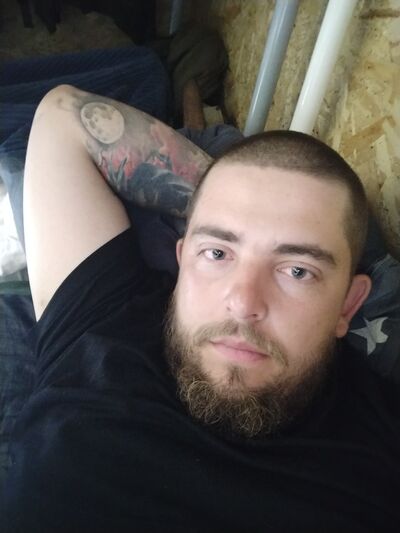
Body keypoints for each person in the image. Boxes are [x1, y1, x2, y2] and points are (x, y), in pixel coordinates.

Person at [1, 84, 399, 532]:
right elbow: (61, 117)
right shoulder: (101, 318)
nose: (243, 303)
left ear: (348, 304)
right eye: (216, 253)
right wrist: (224, 190)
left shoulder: (384, 448)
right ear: (182, 259)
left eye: (297, 271)